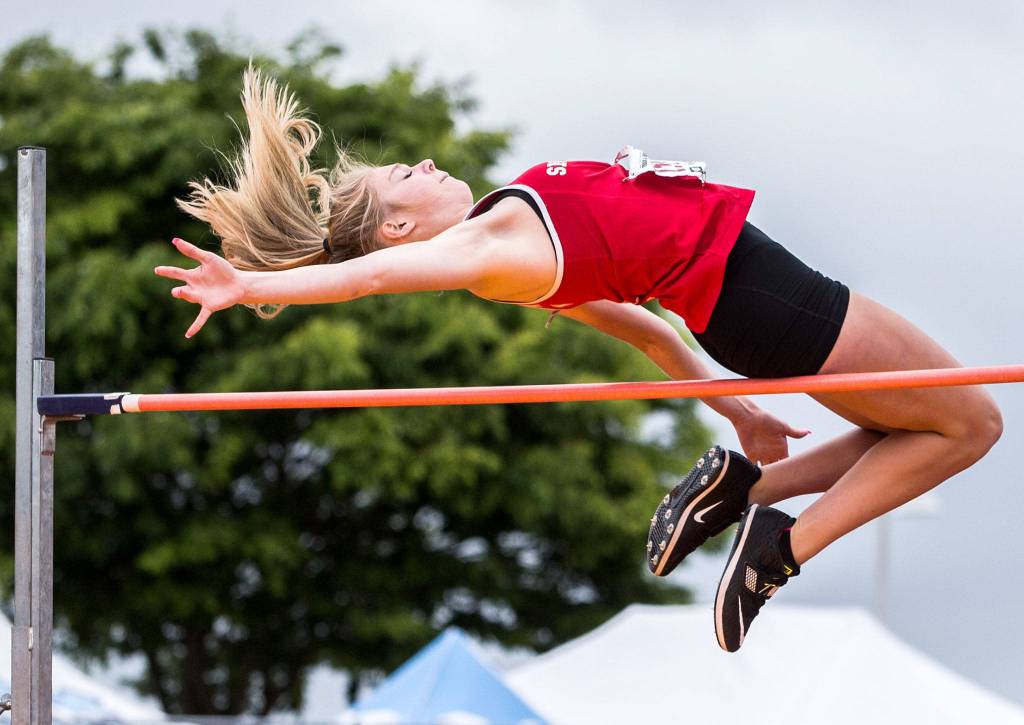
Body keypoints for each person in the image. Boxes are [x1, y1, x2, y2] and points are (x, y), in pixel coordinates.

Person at [157, 65, 1003, 651]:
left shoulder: (517, 238)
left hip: (745, 303)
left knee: (938, 425)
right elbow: (368, 277)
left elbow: (650, 331)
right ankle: (779, 544)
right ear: (402, 226)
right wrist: (254, 283)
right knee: (973, 422)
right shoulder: (480, 251)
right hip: (762, 295)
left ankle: (746, 491)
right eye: (399, 178)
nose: (419, 161)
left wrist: (739, 413)